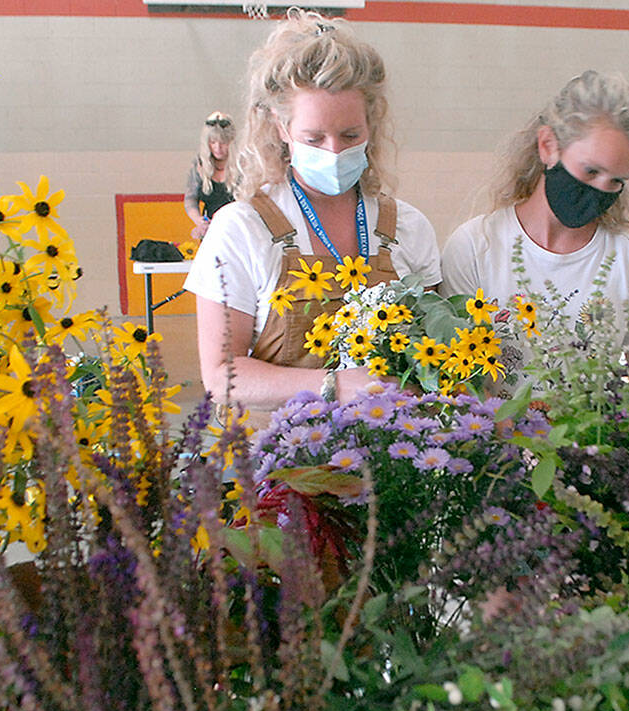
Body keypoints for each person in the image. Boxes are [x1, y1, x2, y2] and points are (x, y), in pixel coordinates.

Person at [184, 9, 441, 414]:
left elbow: (436, 357)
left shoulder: (407, 227)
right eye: (314, 137)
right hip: (282, 465)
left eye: (350, 134)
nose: (334, 151)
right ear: (281, 128)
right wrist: (333, 385)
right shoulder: (242, 229)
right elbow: (221, 376)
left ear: (371, 124)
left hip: (395, 462)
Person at [441, 71, 629, 355]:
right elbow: (456, 375)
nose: (600, 190)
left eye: (616, 182)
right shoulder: (476, 247)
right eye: (591, 171)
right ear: (548, 146)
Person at [183, 111, 236, 241]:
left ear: (231, 142)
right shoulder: (199, 165)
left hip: (236, 229)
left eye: (223, 143)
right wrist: (199, 220)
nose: (218, 147)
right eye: (213, 142)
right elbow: (190, 199)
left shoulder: (242, 165)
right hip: (210, 231)